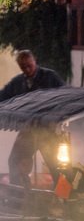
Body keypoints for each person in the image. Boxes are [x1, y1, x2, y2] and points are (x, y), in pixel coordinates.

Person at [2, 50, 66, 187]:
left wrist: (59, 117)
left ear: (34, 61)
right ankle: (19, 195)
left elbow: (66, 95)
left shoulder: (50, 77)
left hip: (48, 131)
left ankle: (63, 196)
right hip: (28, 131)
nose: (26, 69)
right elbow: (3, 96)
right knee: (15, 160)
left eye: (29, 65)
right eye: (23, 67)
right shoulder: (18, 82)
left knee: (56, 165)